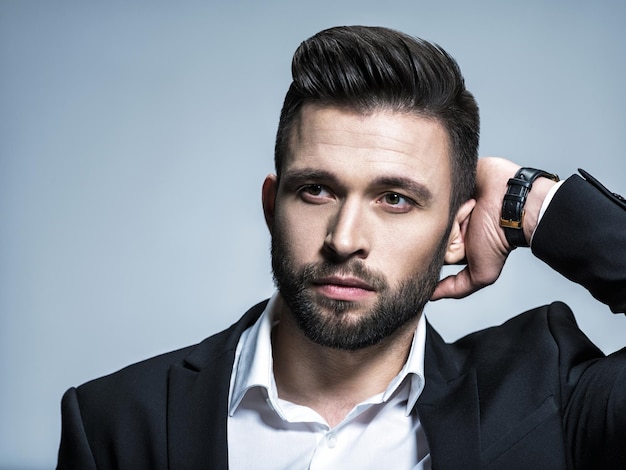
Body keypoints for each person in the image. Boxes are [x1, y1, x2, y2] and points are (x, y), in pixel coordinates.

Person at [56, 26, 626, 469]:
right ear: (272, 207)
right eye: (317, 190)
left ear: (456, 230)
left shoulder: (543, 395)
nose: (345, 240)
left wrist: (530, 199)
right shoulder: (116, 421)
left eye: (396, 199)